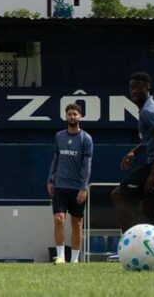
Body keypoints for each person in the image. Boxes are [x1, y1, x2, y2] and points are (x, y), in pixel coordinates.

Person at [110, 72, 154, 261]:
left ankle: (126, 247)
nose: (134, 91)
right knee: (147, 208)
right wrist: (134, 151)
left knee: (118, 195)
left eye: (138, 87)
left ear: (147, 87)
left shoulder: (149, 111)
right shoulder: (150, 108)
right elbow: (153, 141)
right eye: (131, 87)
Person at [47, 103, 93, 264]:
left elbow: (87, 166)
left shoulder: (86, 139)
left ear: (80, 117)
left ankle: (74, 260)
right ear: (65, 116)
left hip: (77, 188)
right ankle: (60, 256)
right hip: (60, 186)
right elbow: (56, 159)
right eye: (69, 114)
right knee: (59, 219)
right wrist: (50, 179)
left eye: (75, 114)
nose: (72, 116)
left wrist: (83, 188)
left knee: (76, 222)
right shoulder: (59, 137)